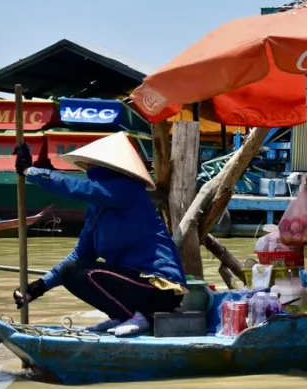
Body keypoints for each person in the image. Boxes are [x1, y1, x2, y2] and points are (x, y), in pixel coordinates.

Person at [11, 132, 187, 335]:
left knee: (78, 271)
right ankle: (123, 316)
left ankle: (137, 317)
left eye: (93, 164)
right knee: (71, 272)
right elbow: (79, 256)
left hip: (160, 289)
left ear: (109, 168)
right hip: (131, 286)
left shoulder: (128, 190)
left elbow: (76, 188)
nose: (88, 169)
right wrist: (39, 286)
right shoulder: (96, 211)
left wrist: (30, 171)